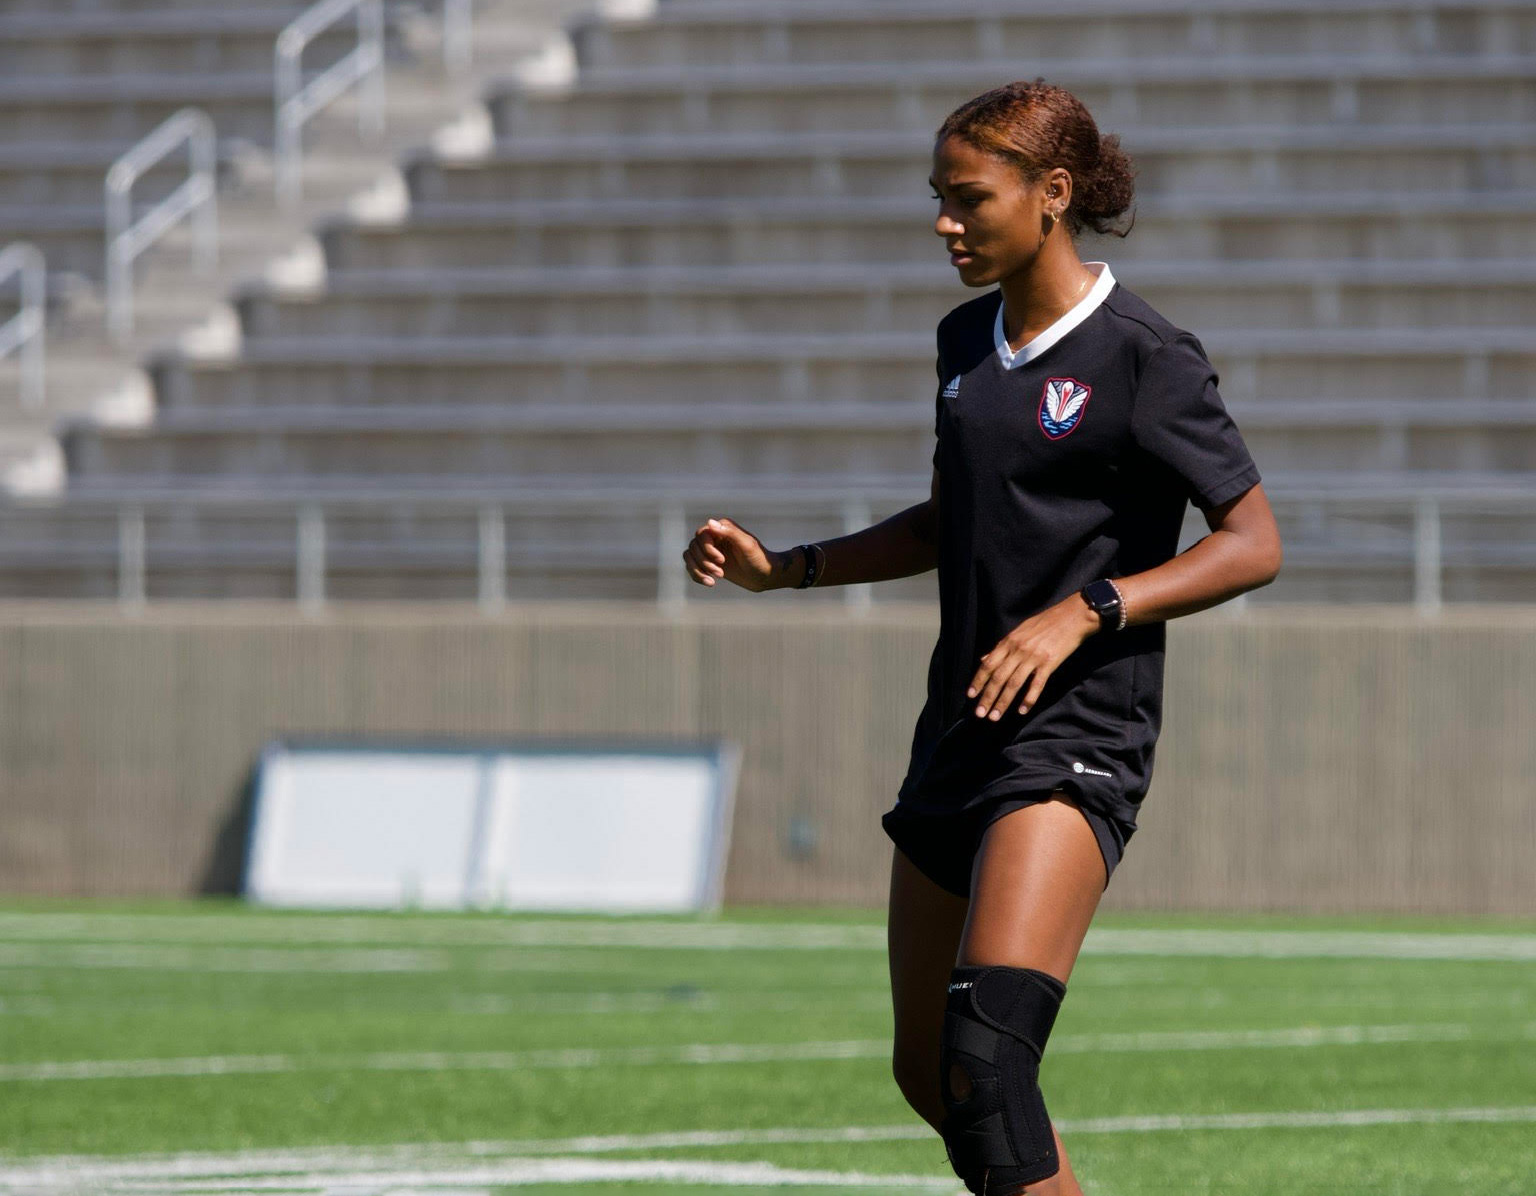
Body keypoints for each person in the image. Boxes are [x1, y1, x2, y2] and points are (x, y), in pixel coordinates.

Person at [681, 79, 1283, 1195]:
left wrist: (1089, 607)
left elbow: (1252, 541)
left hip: (1076, 735)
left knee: (988, 1059)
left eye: (969, 199)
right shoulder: (966, 339)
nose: (945, 224)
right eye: (937, 199)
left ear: (1053, 194)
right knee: (931, 1073)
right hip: (959, 724)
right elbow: (954, 516)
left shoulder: (1146, 354)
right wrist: (793, 567)